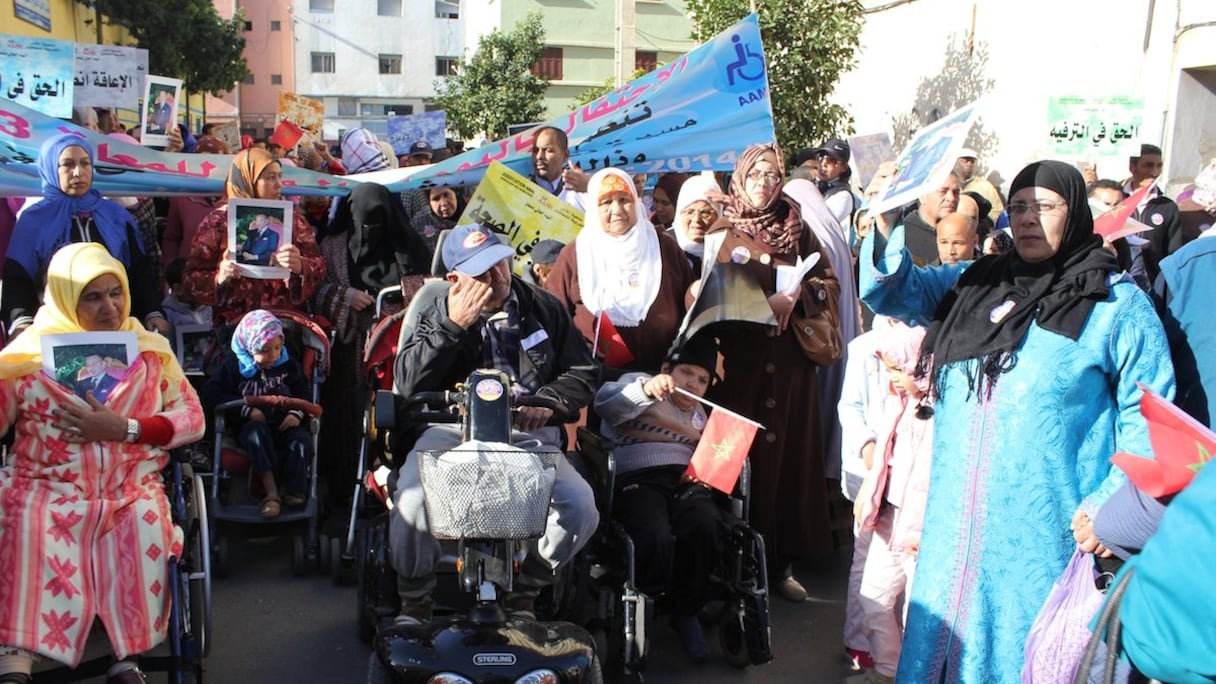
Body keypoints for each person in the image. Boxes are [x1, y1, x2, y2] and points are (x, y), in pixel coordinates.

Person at [859, 160, 1175, 682]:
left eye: (1045, 207)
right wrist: (890, 218)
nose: (1028, 218)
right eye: (1020, 207)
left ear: (1074, 216)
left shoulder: (1112, 304)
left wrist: (1110, 506)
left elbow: (1151, 411)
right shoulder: (972, 285)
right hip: (953, 534)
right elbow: (892, 292)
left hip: (1047, 536)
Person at [0, 242, 205, 684]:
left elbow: (192, 420)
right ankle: (14, 657)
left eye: (115, 292)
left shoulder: (150, 352)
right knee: (26, 521)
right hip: (44, 485)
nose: (109, 306)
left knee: (140, 524)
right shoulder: (24, 358)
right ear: (62, 297)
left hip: (128, 488)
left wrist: (126, 428)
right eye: (92, 296)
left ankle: (125, 655)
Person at [389, 223, 599, 623]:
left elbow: (583, 370)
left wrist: (552, 402)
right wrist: (452, 327)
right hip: (449, 430)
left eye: (500, 264)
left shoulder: (542, 305)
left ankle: (527, 590)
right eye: (481, 271)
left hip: (525, 431)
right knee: (412, 502)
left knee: (580, 506)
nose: (496, 277)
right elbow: (407, 383)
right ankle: (415, 599)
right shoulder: (434, 310)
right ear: (454, 279)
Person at [701, 143, 841, 602]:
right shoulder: (724, 231)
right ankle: (725, 571)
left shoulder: (796, 226)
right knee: (733, 462)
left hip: (790, 368)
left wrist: (801, 297)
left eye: (773, 174)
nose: (765, 182)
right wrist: (766, 305)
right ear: (740, 176)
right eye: (757, 173)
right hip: (738, 369)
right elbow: (708, 298)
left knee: (785, 466)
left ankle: (778, 566)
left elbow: (832, 281)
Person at [593, 334, 732, 663]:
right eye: (687, 373)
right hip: (639, 476)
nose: (694, 385)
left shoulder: (701, 413)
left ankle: (686, 610)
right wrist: (645, 390)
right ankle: (649, 599)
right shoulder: (641, 383)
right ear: (668, 368)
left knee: (707, 524)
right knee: (653, 533)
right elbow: (606, 404)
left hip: (685, 481)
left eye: (702, 380)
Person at [3, 134, 167, 338]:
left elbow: (141, 271)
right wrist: (21, 321)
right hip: (57, 334)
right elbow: (18, 278)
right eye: (67, 165)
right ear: (51, 168)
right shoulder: (34, 220)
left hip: (116, 326)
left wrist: (153, 312)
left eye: (85, 163)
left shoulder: (116, 216)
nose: (78, 172)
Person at [545, 168, 695, 374]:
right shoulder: (575, 254)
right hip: (593, 385)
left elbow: (691, 314)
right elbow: (551, 317)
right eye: (606, 202)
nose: (617, 210)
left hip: (661, 381)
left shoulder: (665, 249)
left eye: (624, 199)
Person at [848, 323, 933, 684]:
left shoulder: (946, 414)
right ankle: (887, 670)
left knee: (920, 613)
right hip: (888, 516)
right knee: (873, 599)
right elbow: (884, 458)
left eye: (899, 367)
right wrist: (870, 489)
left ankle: (916, 676)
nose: (893, 377)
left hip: (924, 527)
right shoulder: (898, 405)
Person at [179, 147, 326, 325]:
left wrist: (301, 266)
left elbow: (319, 265)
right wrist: (220, 276)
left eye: (280, 176)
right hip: (235, 326)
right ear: (248, 179)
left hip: (281, 327)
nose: (279, 184)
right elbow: (189, 279)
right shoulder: (218, 222)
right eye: (270, 177)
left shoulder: (292, 219)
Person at [200, 310, 312, 518]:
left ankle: (295, 491)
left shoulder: (288, 365)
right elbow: (210, 394)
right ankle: (271, 494)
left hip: (284, 423)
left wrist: (297, 413)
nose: (274, 356)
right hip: (251, 425)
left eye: (278, 348)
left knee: (302, 440)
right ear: (251, 347)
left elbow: (304, 394)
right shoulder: (235, 367)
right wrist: (246, 410)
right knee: (255, 435)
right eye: (266, 350)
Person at [163, 136, 230, 266]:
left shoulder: (236, 197)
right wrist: (171, 267)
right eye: (201, 160)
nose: (208, 166)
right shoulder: (183, 197)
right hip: (188, 275)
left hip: (227, 275)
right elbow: (171, 238)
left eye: (215, 159)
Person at [900, 171, 961, 265]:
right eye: (943, 192)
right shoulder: (903, 236)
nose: (951, 198)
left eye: (956, 192)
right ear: (922, 196)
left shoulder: (962, 232)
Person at [669, 173, 723, 274]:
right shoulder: (665, 246)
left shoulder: (726, 246)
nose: (696, 220)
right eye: (689, 212)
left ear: (718, 214)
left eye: (705, 213)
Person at [530, 126, 589, 211]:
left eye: (547, 150)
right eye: (535, 151)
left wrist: (590, 186)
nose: (539, 156)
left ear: (565, 155)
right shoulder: (517, 190)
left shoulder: (583, 190)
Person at [814, 138, 858, 242]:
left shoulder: (843, 196)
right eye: (821, 157)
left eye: (831, 160)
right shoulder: (812, 184)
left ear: (843, 167)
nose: (823, 163)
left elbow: (821, 225)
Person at [408, 186, 465, 256]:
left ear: (455, 194)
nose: (443, 203)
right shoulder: (418, 223)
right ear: (429, 202)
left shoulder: (473, 211)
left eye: (446, 195)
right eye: (436, 199)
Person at [954, 149, 1004, 222]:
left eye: (972, 162)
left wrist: (983, 223)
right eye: (966, 161)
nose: (969, 164)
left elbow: (998, 211)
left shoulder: (986, 186)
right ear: (957, 162)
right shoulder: (949, 184)